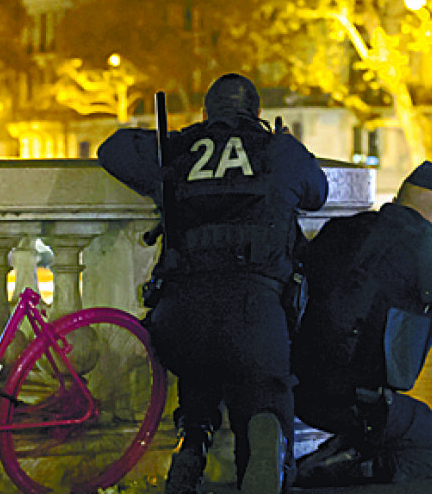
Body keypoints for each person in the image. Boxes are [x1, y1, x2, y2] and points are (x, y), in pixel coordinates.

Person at [97, 73, 329, 494]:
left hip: (179, 316)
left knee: (201, 361)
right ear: (257, 114)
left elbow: (112, 149)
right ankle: (264, 431)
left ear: (207, 113)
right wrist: (288, 146)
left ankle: (192, 442)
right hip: (255, 312)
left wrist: (176, 138)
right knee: (263, 384)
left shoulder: (181, 148)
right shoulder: (278, 150)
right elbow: (318, 193)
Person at [291, 161, 432, 487]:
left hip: (300, 392)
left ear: (397, 199)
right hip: (360, 404)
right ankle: (352, 467)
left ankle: (344, 450)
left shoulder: (340, 230)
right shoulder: (428, 251)